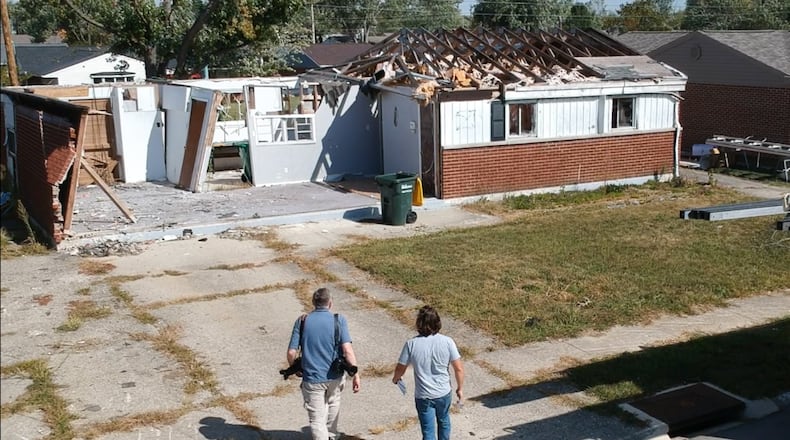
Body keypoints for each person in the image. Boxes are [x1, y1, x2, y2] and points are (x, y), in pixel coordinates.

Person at [285, 287, 361, 440]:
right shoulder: (338, 320)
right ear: (330, 303)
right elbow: (347, 350)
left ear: (313, 302)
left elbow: (291, 352)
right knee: (333, 402)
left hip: (312, 378)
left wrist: (296, 367)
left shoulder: (302, 321)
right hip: (335, 376)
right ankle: (332, 435)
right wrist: (356, 375)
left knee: (317, 420)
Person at [392, 305, 464, 440]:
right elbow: (458, 368)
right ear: (437, 322)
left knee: (427, 430)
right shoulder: (448, 342)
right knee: (444, 420)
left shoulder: (411, 344)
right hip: (443, 392)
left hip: (423, 395)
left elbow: (400, 368)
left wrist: (396, 378)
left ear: (419, 323)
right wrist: (460, 388)